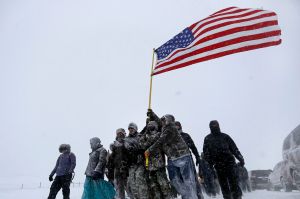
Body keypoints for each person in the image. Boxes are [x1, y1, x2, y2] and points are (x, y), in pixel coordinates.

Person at [146, 110, 198, 199]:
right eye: (162, 120)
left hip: (183, 155)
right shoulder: (164, 128)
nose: (162, 121)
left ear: (169, 121)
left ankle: (191, 197)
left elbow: (161, 140)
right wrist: (152, 114)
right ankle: (186, 195)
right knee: (174, 180)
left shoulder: (171, 128)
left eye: (164, 120)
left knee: (188, 180)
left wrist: (149, 150)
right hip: (172, 158)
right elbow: (159, 122)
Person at [203, 120, 244, 199]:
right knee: (224, 185)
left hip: (230, 163)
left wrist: (240, 158)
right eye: (212, 125)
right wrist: (210, 164)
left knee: (234, 184)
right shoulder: (207, 138)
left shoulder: (225, 136)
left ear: (218, 125)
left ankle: (237, 197)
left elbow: (234, 149)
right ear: (210, 127)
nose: (214, 126)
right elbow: (206, 154)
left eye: (215, 125)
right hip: (218, 165)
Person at [140, 121, 171, 199]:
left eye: (152, 125)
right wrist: (148, 137)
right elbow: (142, 146)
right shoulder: (145, 136)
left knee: (164, 184)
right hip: (150, 165)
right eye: (149, 125)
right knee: (154, 186)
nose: (150, 126)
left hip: (159, 164)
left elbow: (161, 145)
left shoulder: (160, 135)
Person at [175, 121, 204, 199]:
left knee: (193, 179)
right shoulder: (171, 137)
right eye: (175, 126)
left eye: (178, 126)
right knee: (182, 180)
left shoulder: (186, 136)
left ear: (180, 126)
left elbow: (193, 147)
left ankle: (199, 196)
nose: (177, 127)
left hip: (188, 161)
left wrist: (198, 157)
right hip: (177, 162)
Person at [124, 122, 150, 199]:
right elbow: (126, 148)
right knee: (131, 182)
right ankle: (136, 197)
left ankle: (144, 197)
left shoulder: (140, 136)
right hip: (132, 163)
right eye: (129, 129)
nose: (130, 130)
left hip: (141, 162)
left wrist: (139, 150)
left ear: (135, 128)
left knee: (139, 178)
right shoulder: (126, 139)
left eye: (132, 128)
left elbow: (144, 146)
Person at [107, 128, 132, 199]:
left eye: (121, 133)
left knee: (129, 188)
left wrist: (123, 146)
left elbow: (131, 154)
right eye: (118, 133)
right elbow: (111, 160)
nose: (119, 134)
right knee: (119, 189)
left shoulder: (127, 142)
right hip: (117, 170)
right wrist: (110, 173)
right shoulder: (114, 146)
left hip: (127, 169)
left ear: (124, 134)